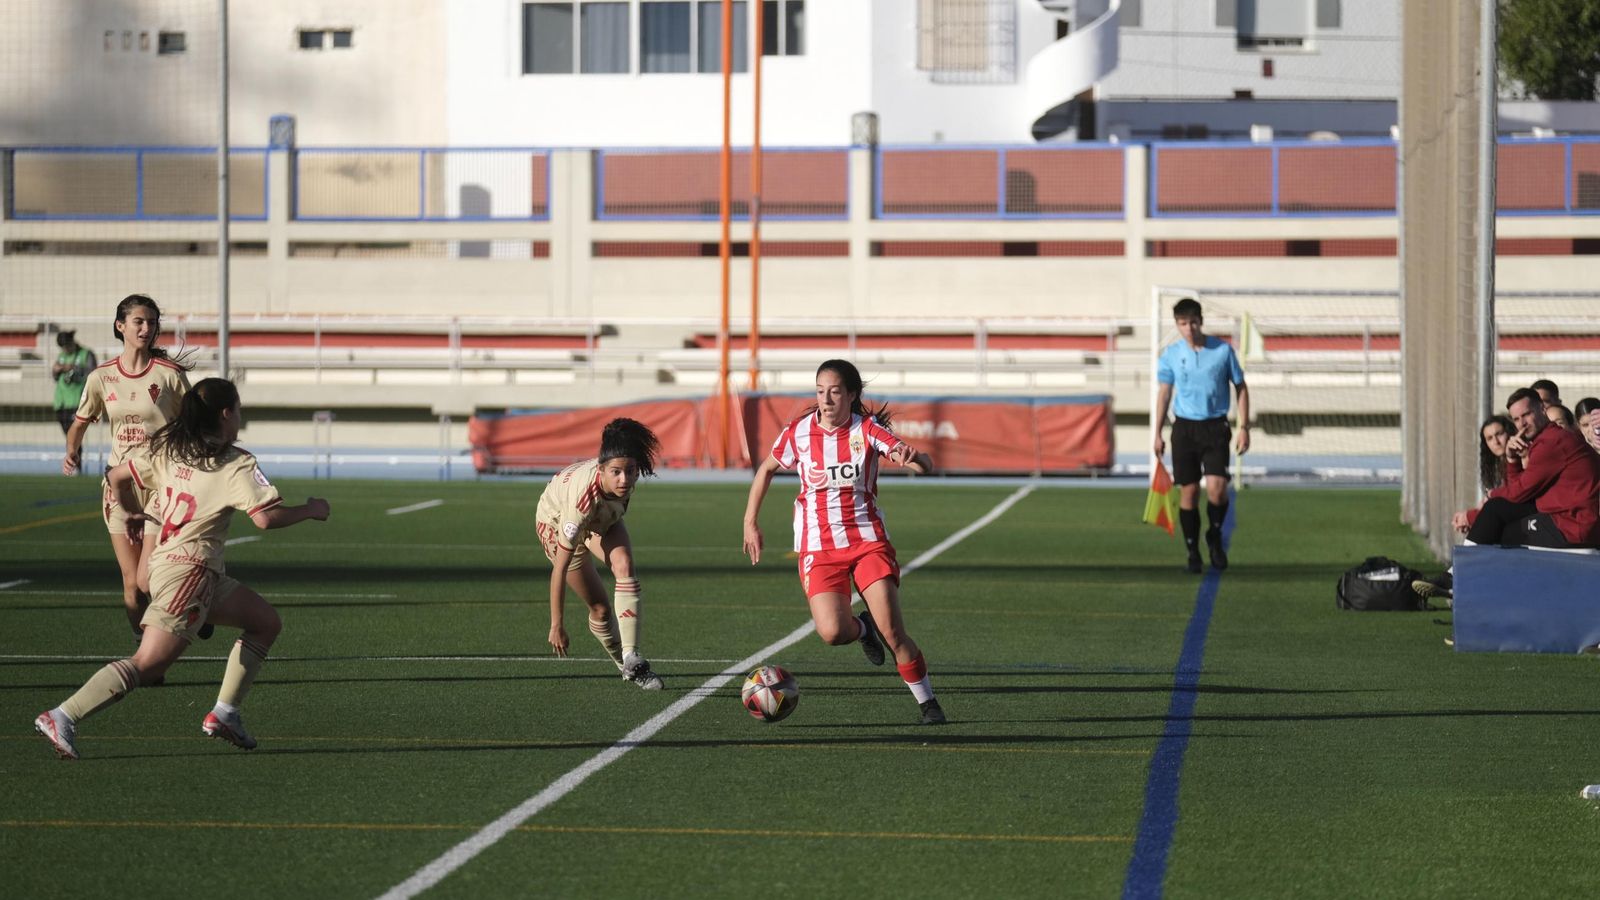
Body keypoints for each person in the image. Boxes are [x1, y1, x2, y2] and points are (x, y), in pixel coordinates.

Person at [33, 378, 331, 760]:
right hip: (189, 574)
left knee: (265, 622)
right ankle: (63, 715)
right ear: (226, 413)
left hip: (180, 568)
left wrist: (131, 512)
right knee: (148, 664)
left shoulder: (170, 450)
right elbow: (265, 518)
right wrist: (311, 509)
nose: (240, 417)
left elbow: (115, 477)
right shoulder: (235, 463)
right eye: (239, 410)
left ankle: (225, 713)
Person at [742, 359, 946, 726]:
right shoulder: (798, 433)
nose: (826, 399)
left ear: (852, 395)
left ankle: (928, 702)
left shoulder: (866, 430)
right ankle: (864, 628)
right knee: (833, 632)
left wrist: (917, 461)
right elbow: (767, 469)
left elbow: (922, 462)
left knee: (894, 632)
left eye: (835, 392)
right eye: (820, 391)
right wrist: (750, 522)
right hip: (818, 548)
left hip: (867, 541)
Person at [63, 295, 191, 640]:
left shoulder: (170, 375)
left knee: (149, 579)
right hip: (119, 486)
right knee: (132, 586)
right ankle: (144, 649)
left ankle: (194, 599)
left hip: (161, 484)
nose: (146, 328)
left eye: (152, 322)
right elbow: (79, 424)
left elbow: (193, 426)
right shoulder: (101, 377)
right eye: (139, 321)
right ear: (120, 326)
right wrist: (72, 451)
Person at [537, 417, 665, 690]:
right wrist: (556, 624)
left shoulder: (623, 480)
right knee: (600, 609)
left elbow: (617, 486)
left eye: (630, 471)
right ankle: (624, 666)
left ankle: (631, 657)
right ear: (602, 469)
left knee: (624, 565)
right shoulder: (580, 506)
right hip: (556, 522)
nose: (624, 479)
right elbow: (559, 569)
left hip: (598, 516)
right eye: (616, 472)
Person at [1153, 298, 1251, 573]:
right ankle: (1192, 549)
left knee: (1217, 489)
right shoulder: (1171, 354)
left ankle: (1215, 535)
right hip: (1184, 428)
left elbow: (1241, 387)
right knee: (1190, 491)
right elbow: (1164, 393)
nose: (1189, 328)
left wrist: (1244, 427)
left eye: (1193, 322)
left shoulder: (1222, 351)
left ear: (1201, 322)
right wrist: (1157, 432)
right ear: (1177, 324)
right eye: (1183, 323)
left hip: (1215, 427)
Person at [1451, 387, 1600, 550]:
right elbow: (1519, 493)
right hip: (1563, 518)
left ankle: (1463, 564)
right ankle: (1464, 563)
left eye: (1526, 415)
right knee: (1497, 513)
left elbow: (1519, 492)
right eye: (1516, 419)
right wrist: (1512, 459)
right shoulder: (1545, 440)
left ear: (1542, 409)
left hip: (1573, 527)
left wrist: (1490, 494)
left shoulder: (1551, 442)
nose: (1522, 423)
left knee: (1501, 526)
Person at [50, 328, 96, 434]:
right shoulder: (61, 356)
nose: (66, 350)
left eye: (67, 346)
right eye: (63, 348)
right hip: (61, 403)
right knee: (69, 436)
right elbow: (56, 378)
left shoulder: (86, 354)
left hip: (77, 402)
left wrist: (73, 368)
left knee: (74, 435)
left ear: (72, 341)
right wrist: (55, 371)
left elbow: (93, 375)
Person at [1478, 414, 1514, 493]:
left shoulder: (1523, 459)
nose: (1496, 442)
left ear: (1509, 433)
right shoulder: (1493, 466)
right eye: (1490, 438)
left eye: (1499, 434)